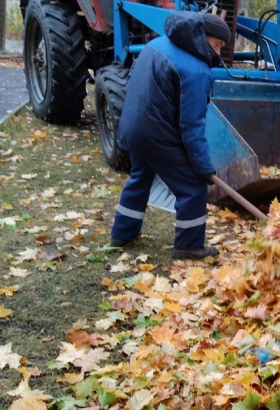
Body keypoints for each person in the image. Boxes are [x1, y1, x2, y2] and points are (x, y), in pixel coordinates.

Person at [110, 11, 231, 260]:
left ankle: (122, 234)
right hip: (156, 133)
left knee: (140, 178)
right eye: (216, 45)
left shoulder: (156, 44)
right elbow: (191, 125)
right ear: (200, 36)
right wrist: (203, 168)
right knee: (193, 187)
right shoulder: (196, 70)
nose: (218, 54)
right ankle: (189, 244)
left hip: (133, 126)